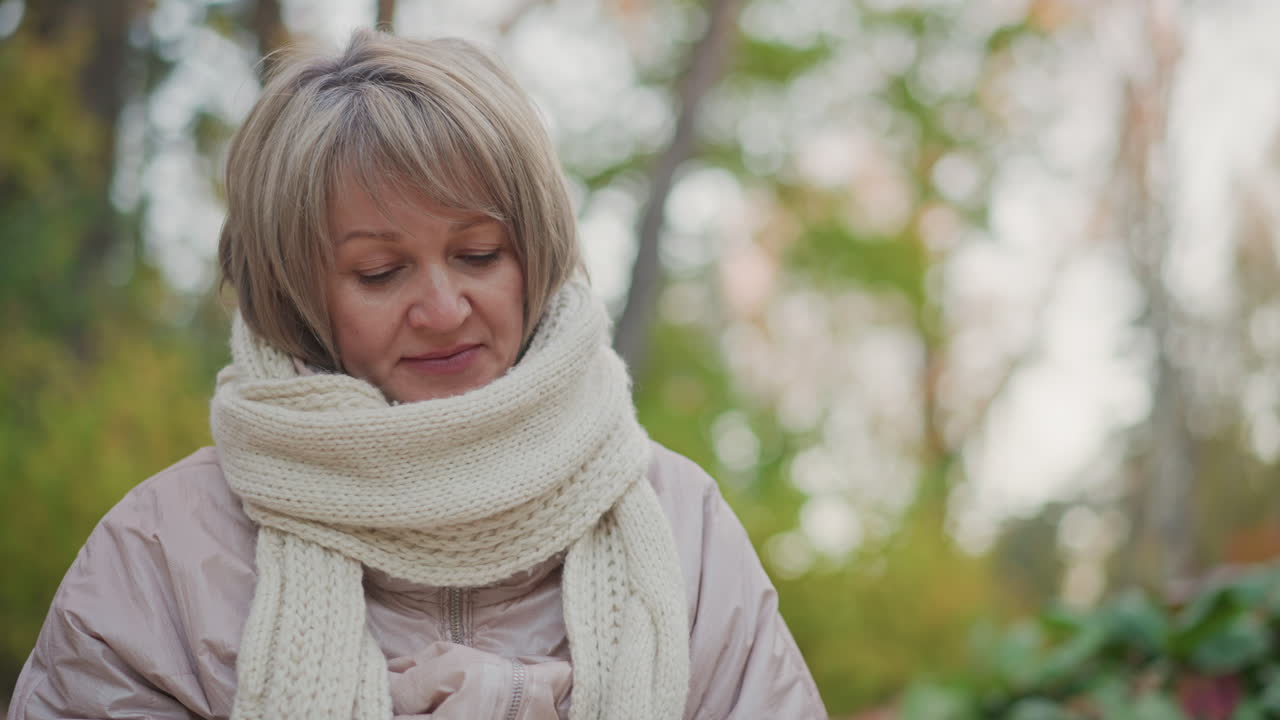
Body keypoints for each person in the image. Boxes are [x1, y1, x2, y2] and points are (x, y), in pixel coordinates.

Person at [7, 29, 826, 720]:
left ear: (535, 256)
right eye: (380, 272)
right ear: (299, 292)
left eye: (479, 255)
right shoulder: (158, 555)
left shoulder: (685, 528)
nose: (442, 309)